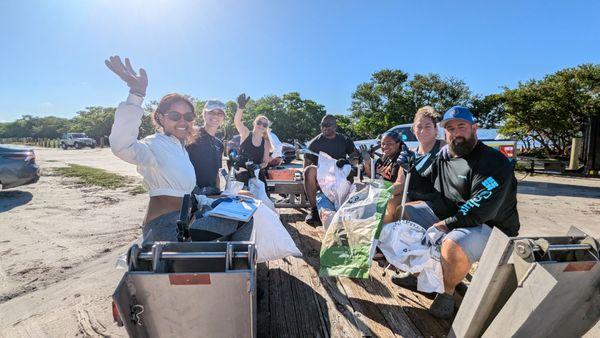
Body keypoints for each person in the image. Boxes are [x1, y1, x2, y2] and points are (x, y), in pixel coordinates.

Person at [392, 106, 520, 319]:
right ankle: (418, 273)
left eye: (462, 126)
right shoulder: (445, 155)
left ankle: (446, 292)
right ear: (445, 133)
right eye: (450, 128)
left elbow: (480, 208)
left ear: (474, 128)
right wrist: (409, 169)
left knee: (451, 244)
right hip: (455, 217)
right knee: (405, 212)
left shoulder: (494, 162)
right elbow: (424, 185)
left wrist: (444, 224)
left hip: (491, 226)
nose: (456, 133)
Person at [106, 55, 197, 242]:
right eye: (174, 115)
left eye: (188, 116)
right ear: (161, 118)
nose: (182, 121)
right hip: (164, 228)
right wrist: (136, 93)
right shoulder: (155, 144)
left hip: (184, 224)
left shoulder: (181, 149)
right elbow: (122, 146)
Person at [383, 106, 445, 224]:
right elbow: (400, 184)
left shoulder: (444, 148)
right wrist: (381, 192)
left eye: (428, 126)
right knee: (389, 203)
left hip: (437, 201)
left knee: (404, 209)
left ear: (436, 129)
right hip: (414, 198)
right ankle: (385, 237)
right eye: (419, 127)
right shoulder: (410, 153)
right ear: (413, 129)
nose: (422, 131)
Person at [303, 115, 358, 225]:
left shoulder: (344, 139)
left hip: (340, 173)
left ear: (335, 126)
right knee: (308, 171)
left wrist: (347, 162)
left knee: (350, 170)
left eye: (328, 125)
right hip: (323, 176)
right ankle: (314, 210)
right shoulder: (315, 143)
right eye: (322, 125)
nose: (324, 128)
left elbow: (355, 158)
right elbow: (306, 165)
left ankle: (345, 206)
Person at [186, 99, 226, 195]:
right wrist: (195, 190)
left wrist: (217, 192)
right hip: (190, 195)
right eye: (211, 112)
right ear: (204, 114)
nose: (215, 116)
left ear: (223, 118)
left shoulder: (219, 144)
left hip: (210, 195)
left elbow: (216, 173)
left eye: (220, 113)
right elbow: (180, 164)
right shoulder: (192, 134)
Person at [233, 93, 272, 188]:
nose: (261, 125)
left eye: (265, 125)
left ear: (266, 128)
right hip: (242, 171)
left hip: (256, 173)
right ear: (254, 123)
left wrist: (258, 166)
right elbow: (237, 122)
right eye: (259, 122)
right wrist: (240, 107)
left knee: (263, 197)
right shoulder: (246, 133)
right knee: (243, 194)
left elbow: (265, 162)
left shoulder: (266, 142)